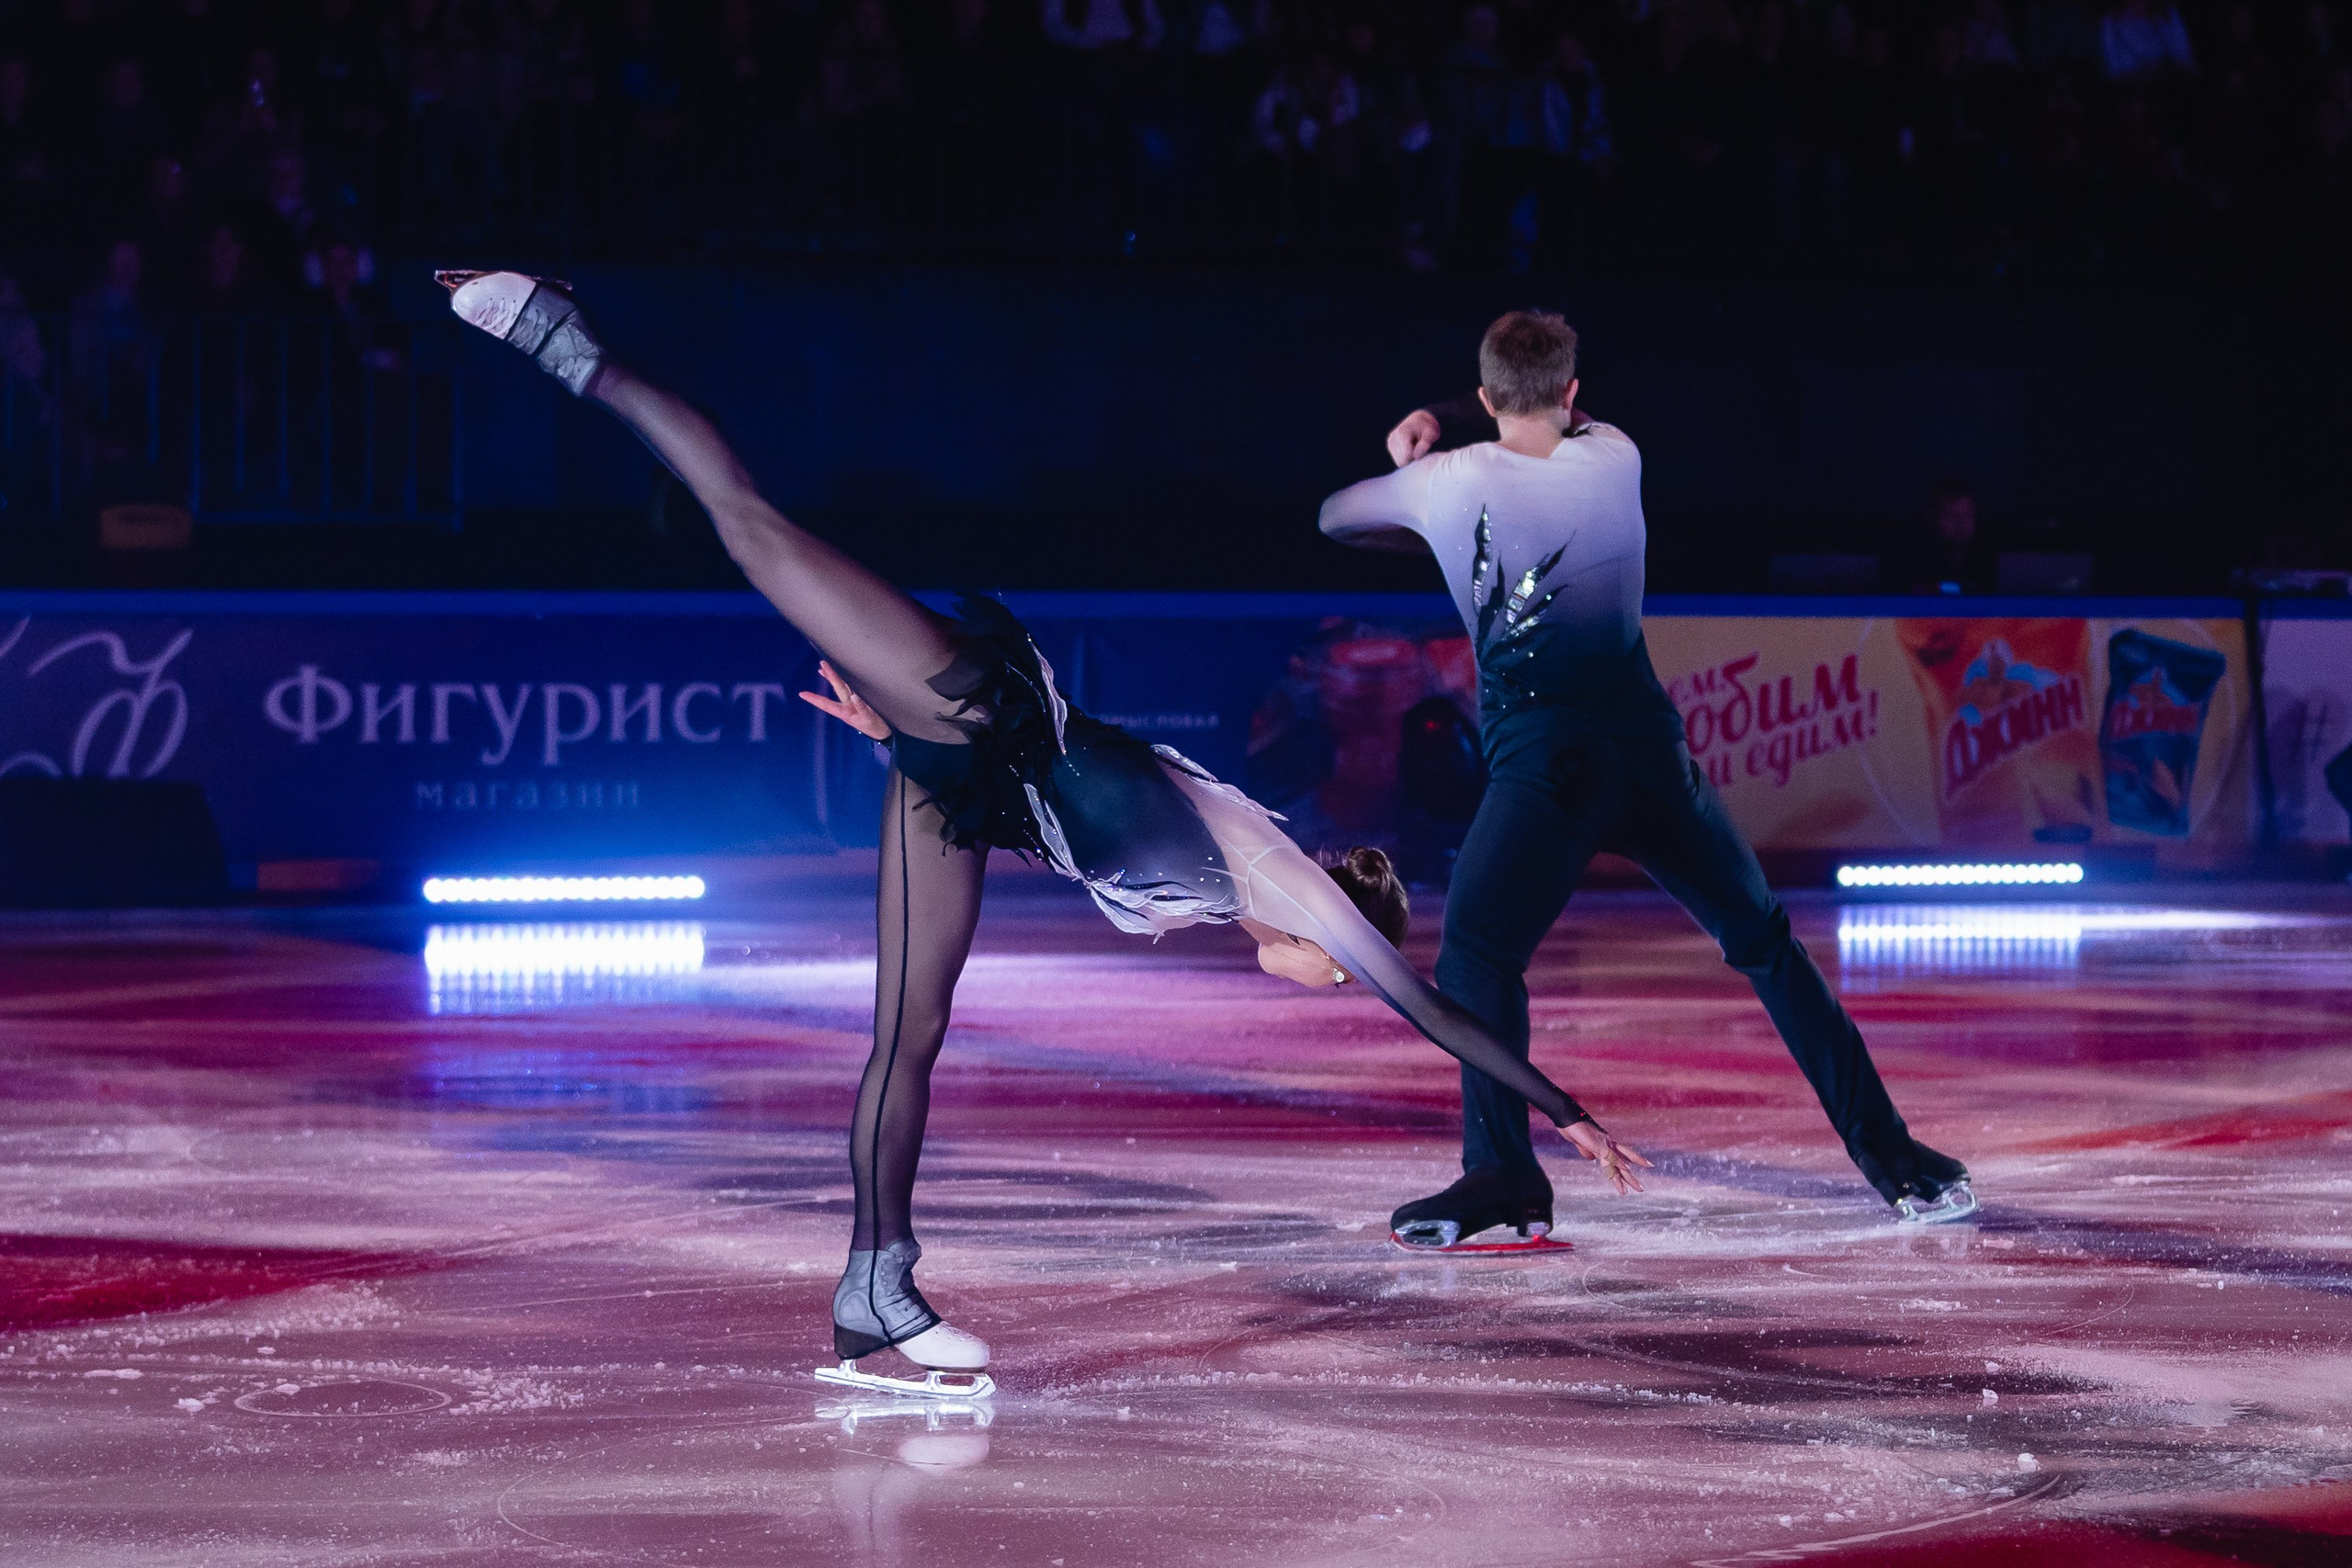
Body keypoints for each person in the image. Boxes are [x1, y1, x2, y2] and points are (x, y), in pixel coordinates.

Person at [441, 272, 1652, 1397]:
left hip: (965, 780)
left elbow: (1068, 829)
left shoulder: (1224, 902)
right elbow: (1436, 1007)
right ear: (1337, 945)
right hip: (981, 705)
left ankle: (875, 1292)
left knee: (906, 1032)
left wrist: (888, 736)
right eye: (1333, 975)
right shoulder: (1285, 876)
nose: (1314, 984)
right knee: (752, 527)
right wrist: (1568, 1111)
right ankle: (559, 332)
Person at [1325, 310, 1974, 1251]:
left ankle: (1504, 1170)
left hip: (1546, 771)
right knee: (1766, 947)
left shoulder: (1441, 481)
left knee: (1474, 956)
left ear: (1479, 400)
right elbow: (1536, 424)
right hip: (1651, 763)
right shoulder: (1614, 453)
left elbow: (1336, 518)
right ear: (1574, 394)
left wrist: (1410, 456)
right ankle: (1899, 1164)